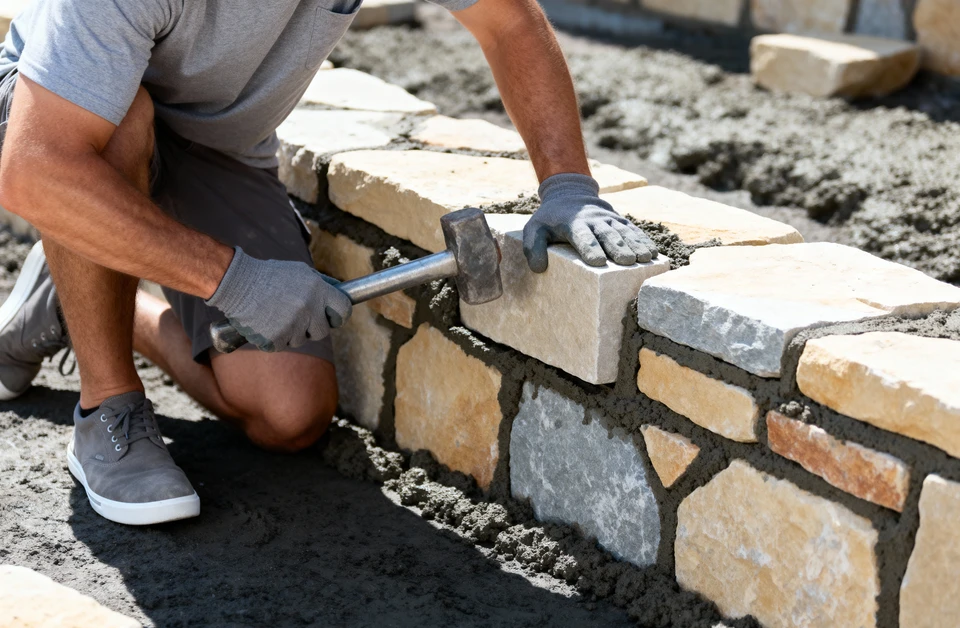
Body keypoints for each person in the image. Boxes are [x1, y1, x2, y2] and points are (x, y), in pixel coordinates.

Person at [0, 0, 659, 526]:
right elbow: (37, 169)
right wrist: (237, 281)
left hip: (214, 148)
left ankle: (75, 300)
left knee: (288, 413)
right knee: (120, 120)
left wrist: (568, 185)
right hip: (65, 120)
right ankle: (108, 407)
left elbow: (509, 21)